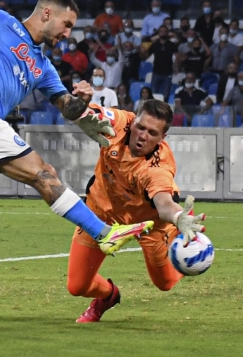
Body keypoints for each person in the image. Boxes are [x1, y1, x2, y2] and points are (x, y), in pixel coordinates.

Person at [0, 0, 154, 332]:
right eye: (66, 24)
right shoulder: (2, 23)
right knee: (44, 173)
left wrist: (82, 101)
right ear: (47, 13)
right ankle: (103, 233)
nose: (68, 33)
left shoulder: (43, 66)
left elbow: (67, 107)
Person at [66, 99, 206, 323]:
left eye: (152, 133)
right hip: (102, 213)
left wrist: (177, 217)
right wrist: (80, 103)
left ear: (162, 138)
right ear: (133, 121)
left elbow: (164, 203)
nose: (143, 136)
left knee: (165, 283)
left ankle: (181, 244)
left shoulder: (157, 168)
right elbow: (90, 113)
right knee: (77, 286)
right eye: (141, 127)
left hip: (149, 222)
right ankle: (108, 296)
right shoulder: (118, 123)